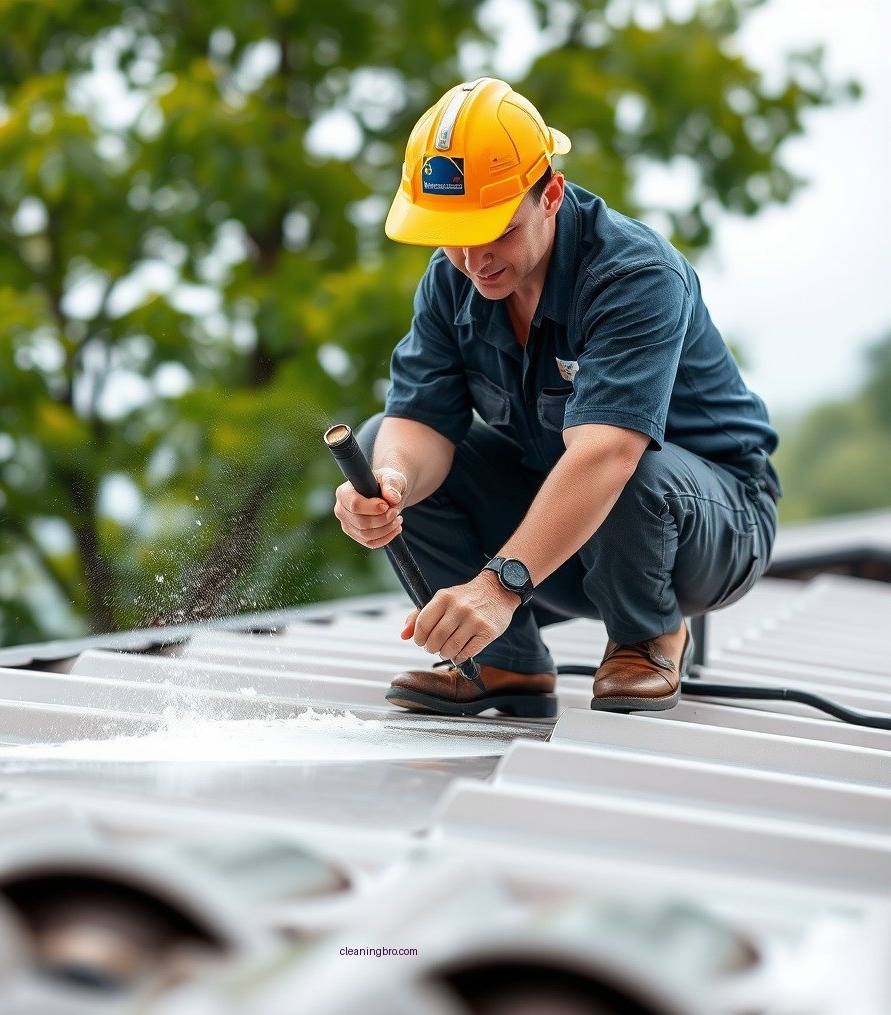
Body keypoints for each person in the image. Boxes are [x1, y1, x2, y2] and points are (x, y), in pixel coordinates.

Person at [332, 78, 781, 718]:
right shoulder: (450, 280)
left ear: (550, 193)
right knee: (380, 443)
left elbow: (604, 457)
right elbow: (419, 421)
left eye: (495, 231)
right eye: (453, 235)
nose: (473, 259)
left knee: (631, 465)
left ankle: (646, 634)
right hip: (570, 540)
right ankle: (505, 663)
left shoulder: (634, 274)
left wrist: (501, 585)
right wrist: (393, 484)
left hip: (710, 532)